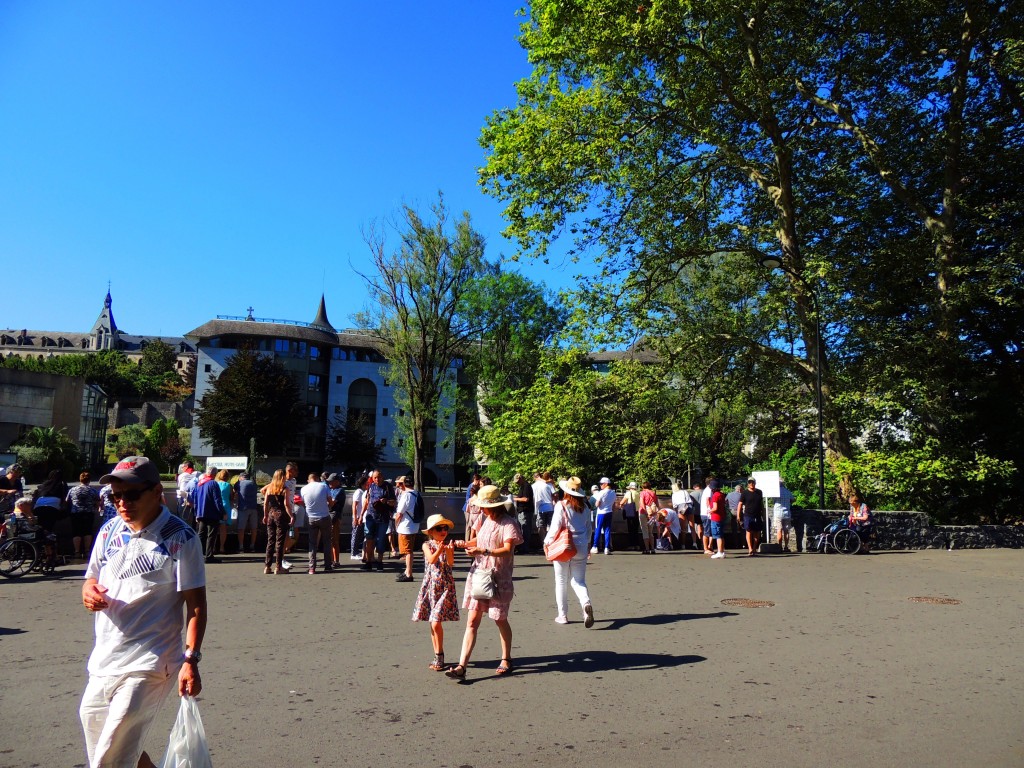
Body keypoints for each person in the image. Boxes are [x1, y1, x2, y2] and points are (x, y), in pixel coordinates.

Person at [78, 456, 206, 768]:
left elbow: (196, 605)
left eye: (132, 494)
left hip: (150, 661)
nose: (123, 503)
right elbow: (90, 578)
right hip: (104, 659)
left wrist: (191, 660)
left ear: (157, 492)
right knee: (115, 750)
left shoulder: (181, 537)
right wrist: (88, 592)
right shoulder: (109, 531)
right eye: (116, 496)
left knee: (109, 758)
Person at [445, 485, 523, 680]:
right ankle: (462, 666)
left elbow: (507, 549)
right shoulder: (484, 519)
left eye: (483, 506)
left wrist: (484, 551)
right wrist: (464, 544)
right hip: (480, 575)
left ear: (493, 506)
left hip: (498, 578)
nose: (480, 508)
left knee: (499, 619)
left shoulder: (508, 524)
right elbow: (479, 540)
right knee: (472, 621)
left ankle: (506, 658)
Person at [544, 477, 595, 626]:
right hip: (582, 544)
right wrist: (588, 544)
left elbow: (555, 528)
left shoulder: (561, 506)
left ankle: (562, 615)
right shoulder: (586, 508)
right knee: (579, 581)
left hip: (565, 545)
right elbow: (589, 528)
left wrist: (547, 542)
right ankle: (586, 603)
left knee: (561, 581)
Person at [412, 513, 459, 671]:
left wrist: (449, 551)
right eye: (439, 528)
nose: (443, 531)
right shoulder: (426, 545)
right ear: (431, 531)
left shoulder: (447, 545)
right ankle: (437, 655)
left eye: (445, 528)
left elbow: (450, 563)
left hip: (445, 586)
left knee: (435, 621)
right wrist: (439, 550)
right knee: (433, 622)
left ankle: (439, 656)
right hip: (431, 586)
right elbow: (431, 559)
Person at [33, 470, 69, 566]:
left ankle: (44, 554)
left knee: (42, 531)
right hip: (52, 509)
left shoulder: (44, 485)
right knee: (48, 533)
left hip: (38, 508)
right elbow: (65, 498)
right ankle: (52, 556)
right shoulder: (61, 484)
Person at [362, 470, 395, 572]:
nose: (377, 479)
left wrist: (386, 501)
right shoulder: (371, 486)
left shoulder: (388, 487)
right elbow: (367, 500)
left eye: (379, 477)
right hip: (370, 516)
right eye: (375, 478)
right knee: (369, 539)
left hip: (382, 518)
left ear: (382, 477)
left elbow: (393, 502)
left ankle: (380, 562)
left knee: (380, 540)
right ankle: (368, 562)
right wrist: (361, 514)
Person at [301, 472, 333, 574]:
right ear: (318, 479)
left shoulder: (303, 489)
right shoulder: (324, 486)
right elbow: (330, 502)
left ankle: (312, 568)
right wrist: (327, 506)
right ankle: (328, 566)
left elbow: (303, 503)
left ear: (308, 480)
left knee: (312, 543)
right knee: (327, 541)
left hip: (311, 518)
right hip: (324, 516)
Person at [262, 470, 292, 574]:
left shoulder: (269, 488)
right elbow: (286, 504)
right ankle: (278, 567)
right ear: (282, 477)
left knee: (270, 541)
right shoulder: (284, 489)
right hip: (281, 515)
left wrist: (265, 515)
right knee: (280, 542)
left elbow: (265, 503)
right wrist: (291, 516)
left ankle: (267, 566)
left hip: (271, 514)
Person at [194, 466, 225, 563]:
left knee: (201, 535)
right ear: (215, 474)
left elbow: (195, 499)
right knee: (211, 535)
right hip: (212, 513)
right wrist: (222, 512)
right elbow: (217, 500)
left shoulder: (200, 483)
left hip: (201, 513)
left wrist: (196, 513)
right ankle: (209, 556)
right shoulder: (213, 483)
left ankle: (198, 555)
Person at [66, 471, 100, 560]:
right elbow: (98, 502)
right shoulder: (93, 490)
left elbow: (67, 501)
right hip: (88, 513)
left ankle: (77, 552)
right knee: (87, 531)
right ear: (89, 480)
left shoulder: (73, 490)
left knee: (76, 532)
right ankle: (87, 551)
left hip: (75, 513)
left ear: (80, 479)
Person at [393, 475, 421, 582]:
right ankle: (406, 571)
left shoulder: (406, 495)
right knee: (410, 550)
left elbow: (399, 513)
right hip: (414, 525)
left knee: (407, 551)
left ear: (404, 484)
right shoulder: (416, 493)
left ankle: (409, 573)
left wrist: (396, 524)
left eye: (401, 483)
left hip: (405, 526)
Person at [736, 477, 765, 556]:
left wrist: (763, 514)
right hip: (748, 515)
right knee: (748, 531)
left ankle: (754, 548)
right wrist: (738, 515)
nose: (751, 484)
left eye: (752, 482)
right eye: (750, 482)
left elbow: (761, 504)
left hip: (757, 515)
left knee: (757, 532)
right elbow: (740, 504)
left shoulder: (759, 492)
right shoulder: (745, 493)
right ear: (748, 484)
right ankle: (750, 548)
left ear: (755, 483)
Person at [589, 477, 618, 555]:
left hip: (601, 513)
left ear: (606, 484)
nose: (600, 485)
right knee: (607, 530)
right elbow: (614, 505)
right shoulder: (613, 493)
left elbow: (597, 504)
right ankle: (607, 548)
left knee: (598, 529)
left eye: (601, 484)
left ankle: (595, 546)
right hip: (609, 512)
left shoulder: (601, 492)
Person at [235, 471, 260, 553]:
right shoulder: (254, 484)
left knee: (241, 528)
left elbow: (235, 493)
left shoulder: (239, 483)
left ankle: (241, 546)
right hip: (253, 507)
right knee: (254, 528)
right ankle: (252, 546)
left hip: (243, 508)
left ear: (241, 477)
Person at [326, 473, 346, 567]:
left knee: (334, 540)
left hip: (335, 517)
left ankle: (336, 561)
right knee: (329, 540)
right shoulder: (330, 490)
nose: (329, 483)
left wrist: (325, 502)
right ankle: (330, 560)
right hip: (328, 516)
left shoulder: (340, 491)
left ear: (337, 482)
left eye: (331, 481)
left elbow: (332, 503)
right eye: (329, 481)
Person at [671, 481, 698, 550]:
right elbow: (690, 500)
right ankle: (694, 543)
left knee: (683, 528)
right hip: (689, 507)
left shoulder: (674, 494)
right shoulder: (685, 491)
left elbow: (674, 506)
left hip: (681, 507)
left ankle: (683, 545)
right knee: (692, 526)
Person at [512, 473, 535, 554]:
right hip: (523, 511)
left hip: (525, 510)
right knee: (523, 529)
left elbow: (525, 499)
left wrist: (515, 499)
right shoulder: (523, 486)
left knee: (525, 529)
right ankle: (523, 547)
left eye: (518, 481)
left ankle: (524, 548)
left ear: (521, 479)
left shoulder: (526, 486)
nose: (517, 483)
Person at [214, 469, 234, 555]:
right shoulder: (229, 486)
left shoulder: (215, 484)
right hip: (226, 506)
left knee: (214, 528)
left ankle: (213, 547)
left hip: (216, 506)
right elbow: (231, 497)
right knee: (223, 528)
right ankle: (222, 547)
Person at [350, 473, 369, 560]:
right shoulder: (358, 492)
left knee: (359, 535)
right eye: (366, 483)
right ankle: (353, 553)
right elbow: (354, 505)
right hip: (357, 517)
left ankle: (356, 552)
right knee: (355, 535)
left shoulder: (363, 492)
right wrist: (355, 517)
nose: (367, 485)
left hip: (361, 517)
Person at [707, 479, 727, 559]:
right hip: (722, 516)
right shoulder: (721, 494)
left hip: (716, 517)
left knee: (717, 535)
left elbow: (715, 508)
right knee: (721, 535)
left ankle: (719, 552)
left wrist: (710, 511)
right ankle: (722, 551)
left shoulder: (715, 495)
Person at [532, 471, 555, 542]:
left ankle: (543, 542)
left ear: (534, 477)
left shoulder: (532, 486)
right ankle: (551, 541)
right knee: (551, 525)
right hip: (550, 507)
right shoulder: (548, 484)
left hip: (539, 508)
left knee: (541, 526)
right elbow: (555, 494)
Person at [772, 482, 794, 551]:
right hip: (787, 513)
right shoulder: (788, 492)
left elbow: (773, 501)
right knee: (786, 531)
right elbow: (792, 499)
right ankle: (786, 547)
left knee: (779, 530)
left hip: (778, 513)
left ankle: (780, 546)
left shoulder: (776, 492)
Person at [620, 481, 641, 551]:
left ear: (630, 487)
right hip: (637, 513)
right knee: (636, 530)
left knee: (631, 529)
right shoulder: (638, 493)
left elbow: (622, 502)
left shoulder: (628, 493)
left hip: (630, 513)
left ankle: (632, 545)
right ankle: (637, 545)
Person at [638, 481, 658, 554]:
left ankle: (647, 549)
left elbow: (642, 503)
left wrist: (646, 512)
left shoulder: (642, 493)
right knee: (650, 532)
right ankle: (652, 549)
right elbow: (657, 504)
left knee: (645, 531)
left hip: (644, 513)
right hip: (652, 514)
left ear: (643, 487)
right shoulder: (653, 493)